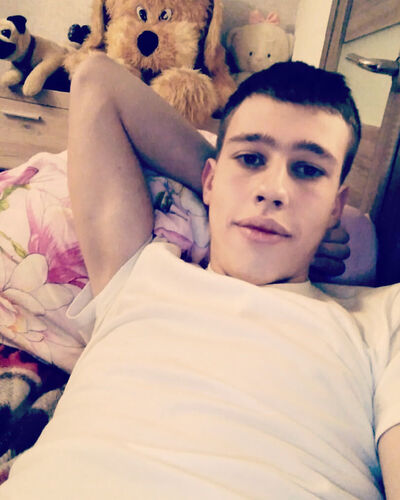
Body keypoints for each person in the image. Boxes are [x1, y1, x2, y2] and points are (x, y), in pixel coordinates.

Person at [1, 55, 399, 499]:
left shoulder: (383, 319)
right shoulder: (141, 272)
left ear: (336, 206)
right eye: (251, 158)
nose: (274, 190)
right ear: (209, 181)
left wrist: (288, 213)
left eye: (307, 170)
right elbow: (97, 79)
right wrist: (232, 195)